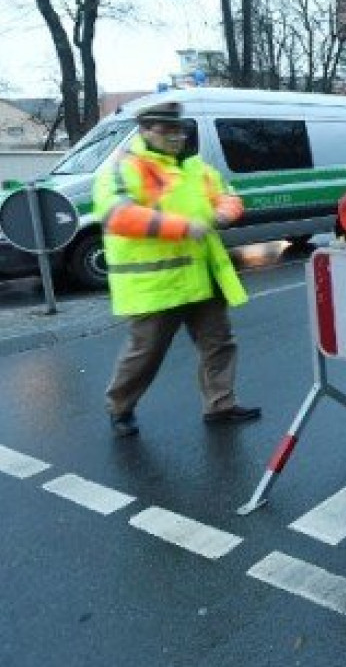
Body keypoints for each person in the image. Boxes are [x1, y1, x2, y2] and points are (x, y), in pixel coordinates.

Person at [94, 101, 260, 438]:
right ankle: (120, 408)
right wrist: (182, 227)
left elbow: (230, 197)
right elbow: (118, 216)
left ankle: (220, 404)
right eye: (165, 130)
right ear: (143, 131)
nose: (174, 136)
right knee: (145, 354)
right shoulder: (121, 169)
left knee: (220, 343)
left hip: (202, 276)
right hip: (157, 283)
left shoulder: (196, 167)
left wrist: (224, 214)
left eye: (178, 129)